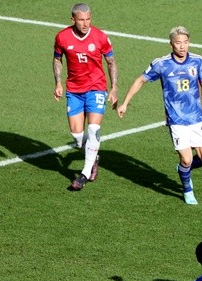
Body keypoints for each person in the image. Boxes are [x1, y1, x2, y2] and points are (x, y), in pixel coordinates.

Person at [116, 26, 202, 205]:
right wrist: (125, 103)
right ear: (171, 44)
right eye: (178, 43)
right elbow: (140, 80)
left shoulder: (197, 61)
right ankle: (187, 189)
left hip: (195, 118)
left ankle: (183, 170)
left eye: (185, 42)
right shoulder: (161, 64)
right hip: (176, 120)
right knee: (186, 158)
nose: (182, 46)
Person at [53, 3, 119, 191]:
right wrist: (58, 82)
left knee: (93, 129)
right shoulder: (62, 37)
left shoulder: (100, 37)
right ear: (73, 19)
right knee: (76, 136)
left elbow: (111, 61)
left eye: (88, 19)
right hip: (74, 90)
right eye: (81, 20)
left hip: (96, 88)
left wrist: (114, 88)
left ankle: (84, 173)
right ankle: (94, 156)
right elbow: (57, 59)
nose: (85, 23)